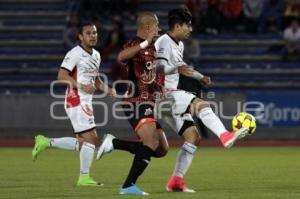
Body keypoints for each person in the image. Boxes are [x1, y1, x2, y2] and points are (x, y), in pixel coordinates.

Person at [154, 8, 249, 192]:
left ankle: (175, 181)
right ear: (177, 25)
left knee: (193, 137)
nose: (190, 29)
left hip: (167, 99)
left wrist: (200, 76)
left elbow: (182, 67)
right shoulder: (163, 41)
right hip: (163, 95)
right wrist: (175, 68)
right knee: (202, 105)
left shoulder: (178, 44)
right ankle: (225, 136)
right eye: (188, 25)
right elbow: (157, 66)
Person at [32, 21, 116, 186]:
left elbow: (96, 79)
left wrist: (109, 90)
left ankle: (45, 142)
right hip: (76, 99)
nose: (93, 36)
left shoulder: (96, 55)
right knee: (92, 140)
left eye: (94, 33)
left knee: (84, 143)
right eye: (88, 33)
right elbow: (61, 75)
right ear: (80, 36)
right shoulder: (75, 53)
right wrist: (81, 86)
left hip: (85, 101)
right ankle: (84, 177)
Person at [96, 12, 169, 195]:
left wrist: (160, 88)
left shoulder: (154, 48)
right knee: (150, 142)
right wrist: (144, 43)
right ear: (147, 28)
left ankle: (114, 143)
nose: (158, 29)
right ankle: (128, 186)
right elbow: (121, 56)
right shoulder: (135, 43)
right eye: (156, 26)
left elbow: (152, 74)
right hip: (135, 101)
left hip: (148, 103)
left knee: (161, 149)